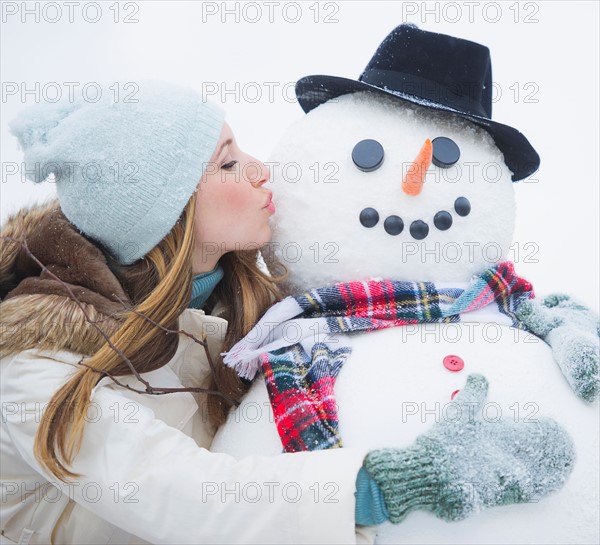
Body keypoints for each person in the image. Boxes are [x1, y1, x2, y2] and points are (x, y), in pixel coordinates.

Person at [1, 81, 574, 545]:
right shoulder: (36, 371)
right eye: (228, 165)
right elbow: (187, 496)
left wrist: (538, 318)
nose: (260, 171)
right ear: (165, 213)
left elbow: (383, 302)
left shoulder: (237, 314)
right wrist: (394, 484)